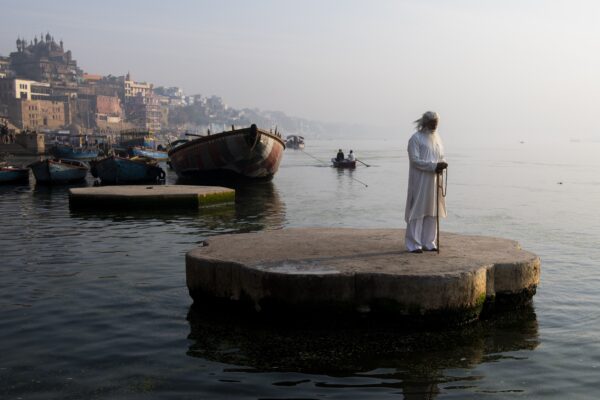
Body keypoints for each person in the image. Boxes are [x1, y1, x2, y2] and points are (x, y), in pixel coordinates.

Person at [404, 111, 448, 253]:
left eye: (436, 123)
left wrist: (442, 164)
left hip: (434, 180)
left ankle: (429, 242)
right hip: (420, 181)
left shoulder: (437, 139)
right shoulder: (416, 139)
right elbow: (415, 160)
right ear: (425, 123)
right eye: (432, 123)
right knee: (417, 210)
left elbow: (441, 156)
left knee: (432, 211)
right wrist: (434, 166)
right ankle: (414, 244)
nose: (435, 126)